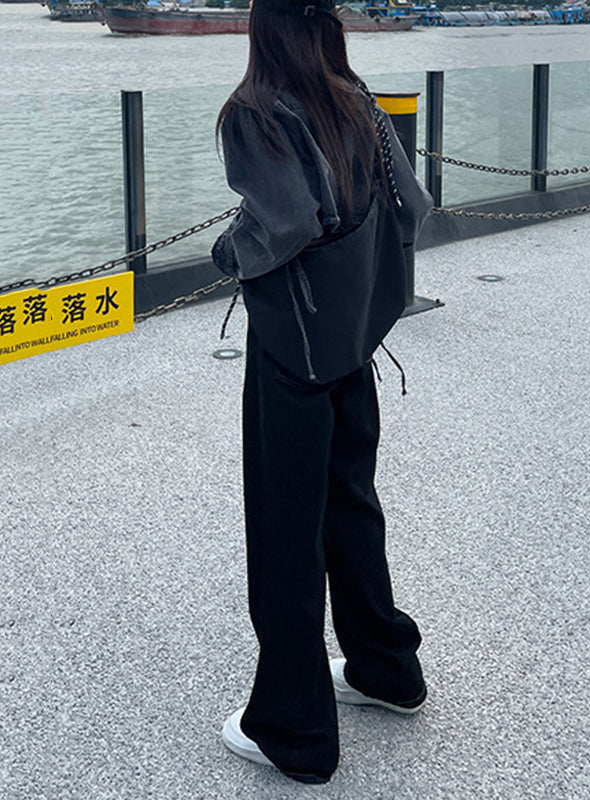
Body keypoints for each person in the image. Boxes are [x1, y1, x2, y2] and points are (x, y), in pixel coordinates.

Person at [211, 0, 433, 785]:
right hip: (354, 337)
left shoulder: (254, 112)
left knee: (285, 532)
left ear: (264, 27)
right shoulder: (357, 96)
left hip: (293, 351)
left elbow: (282, 227)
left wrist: (226, 250)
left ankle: (294, 729)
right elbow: (415, 203)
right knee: (351, 505)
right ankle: (386, 668)